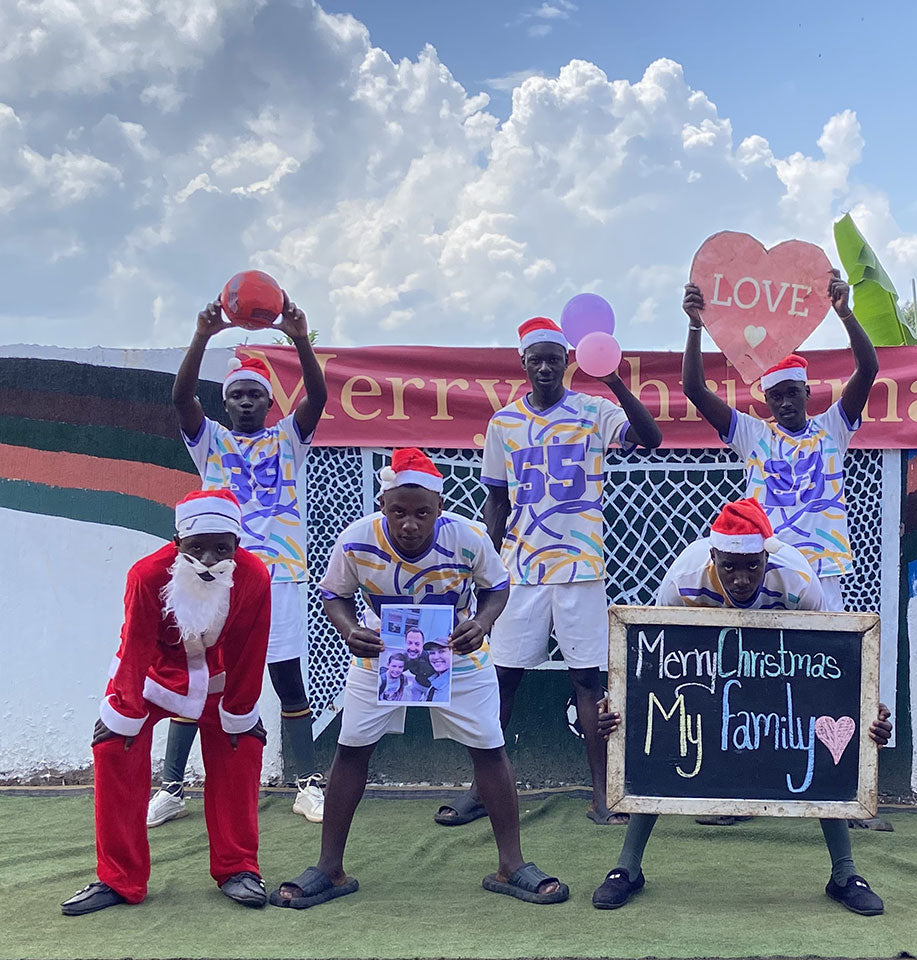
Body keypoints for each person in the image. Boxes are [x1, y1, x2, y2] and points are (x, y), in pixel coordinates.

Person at [269, 449, 569, 908]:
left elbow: (497, 586)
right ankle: (330, 867)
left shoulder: (468, 537)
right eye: (399, 512)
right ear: (383, 504)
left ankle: (512, 864)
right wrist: (350, 630)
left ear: (439, 510)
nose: (410, 523)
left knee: (489, 747)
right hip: (382, 656)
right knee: (351, 750)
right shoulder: (355, 541)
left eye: (422, 513)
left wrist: (483, 623)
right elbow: (334, 594)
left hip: (457, 651)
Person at [590, 499, 893, 915]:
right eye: (729, 566)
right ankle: (627, 867)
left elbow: (834, 664)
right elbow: (654, 659)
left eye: (752, 565)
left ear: (767, 555)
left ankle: (844, 874)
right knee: (661, 745)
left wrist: (867, 709)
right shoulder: (683, 579)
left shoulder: (800, 581)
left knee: (822, 745)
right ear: (713, 555)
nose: (741, 578)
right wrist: (618, 702)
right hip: (704, 674)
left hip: (781, 670)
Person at [436, 316, 662, 828]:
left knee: (588, 681)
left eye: (553, 358)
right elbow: (495, 498)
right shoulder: (504, 424)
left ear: (567, 362)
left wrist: (614, 379)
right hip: (520, 570)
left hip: (581, 568)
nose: (544, 366)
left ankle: (603, 793)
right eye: (535, 359)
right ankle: (481, 790)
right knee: (502, 681)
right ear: (522, 363)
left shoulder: (594, 409)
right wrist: (483, 566)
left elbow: (650, 438)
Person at [681, 271, 882, 828]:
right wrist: (695, 328)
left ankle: (849, 794)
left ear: (809, 393)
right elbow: (696, 392)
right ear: (766, 400)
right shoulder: (752, 435)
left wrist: (844, 313)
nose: (787, 402)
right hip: (762, 575)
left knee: (834, 677)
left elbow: (868, 369)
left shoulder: (834, 427)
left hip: (826, 572)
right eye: (777, 395)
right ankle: (742, 793)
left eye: (795, 393)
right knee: (754, 679)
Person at [152, 294, 329, 827]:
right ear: (226, 404)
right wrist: (203, 334)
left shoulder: (288, 439)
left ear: (270, 404)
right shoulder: (210, 443)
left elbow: (317, 398)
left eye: (257, 395)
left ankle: (307, 784)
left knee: (287, 677)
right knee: (198, 675)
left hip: (280, 576)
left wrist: (299, 336)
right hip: (214, 579)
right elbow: (181, 397)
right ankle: (173, 786)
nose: (248, 403)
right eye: (238, 397)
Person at [61, 490, 271, 916]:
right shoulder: (147, 575)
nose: (209, 559)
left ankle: (238, 867)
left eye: (221, 548)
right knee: (113, 748)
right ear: (177, 542)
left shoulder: (255, 577)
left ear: (237, 544)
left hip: (219, 678)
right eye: (197, 547)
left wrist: (243, 712)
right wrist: (123, 714)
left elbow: (253, 647)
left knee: (242, 746)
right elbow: (135, 644)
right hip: (154, 675)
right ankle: (119, 878)